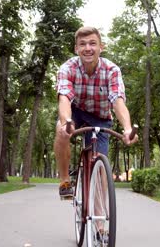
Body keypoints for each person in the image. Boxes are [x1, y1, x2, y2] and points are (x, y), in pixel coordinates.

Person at [54, 26, 138, 198]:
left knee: (101, 171)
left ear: (101, 47)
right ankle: (64, 181)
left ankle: (100, 221)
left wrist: (128, 129)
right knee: (61, 132)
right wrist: (65, 123)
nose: (87, 48)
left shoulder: (112, 70)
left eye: (93, 43)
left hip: (100, 117)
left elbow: (117, 101)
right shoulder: (67, 68)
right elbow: (64, 99)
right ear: (76, 49)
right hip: (75, 111)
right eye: (82, 44)